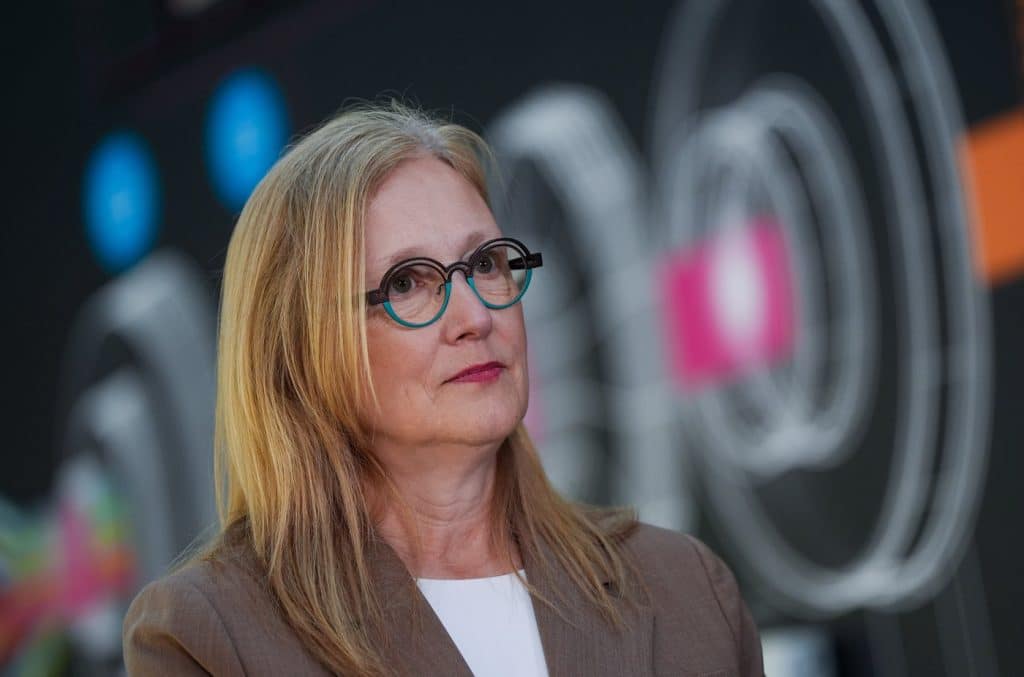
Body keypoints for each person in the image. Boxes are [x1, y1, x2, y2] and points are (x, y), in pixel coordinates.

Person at [122, 101, 764, 676]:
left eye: (485, 264)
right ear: (299, 353)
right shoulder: (208, 638)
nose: (475, 318)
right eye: (407, 283)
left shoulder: (687, 588)